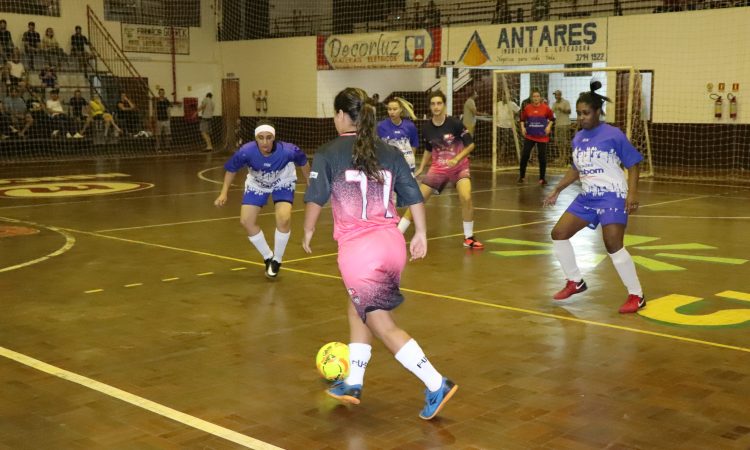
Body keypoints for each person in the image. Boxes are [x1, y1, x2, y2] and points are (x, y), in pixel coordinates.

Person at [302, 87, 457, 420]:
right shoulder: (388, 151)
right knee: (356, 305)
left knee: (383, 325)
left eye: (335, 113)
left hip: (361, 252)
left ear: (342, 116)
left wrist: (308, 230)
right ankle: (353, 381)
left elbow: (315, 198)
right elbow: (415, 195)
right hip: (391, 244)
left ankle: (435, 383)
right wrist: (422, 234)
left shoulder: (329, 152)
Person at [542, 82, 645, 314]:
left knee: (613, 244)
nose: (581, 117)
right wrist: (557, 189)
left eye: (586, 113)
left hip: (613, 195)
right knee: (559, 233)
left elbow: (634, 163)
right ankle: (575, 281)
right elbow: (576, 169)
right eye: (579, 113)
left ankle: (636, 295)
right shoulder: (578, 138)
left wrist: (633, 193)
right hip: (588, 196)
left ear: (598, 112)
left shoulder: (613, 134)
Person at [214, 120, 310, 278]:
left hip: (282, 181)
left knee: (284, 218)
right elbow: (231, 170)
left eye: (269, 137)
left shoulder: (288, 151)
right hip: (257, 183)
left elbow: (304, 162)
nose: (265, 142)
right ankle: (268, 257)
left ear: (274, 138)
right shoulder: (246, 151)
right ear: (255, 138)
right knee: (246, 221)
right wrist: (223, 192)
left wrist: (309, 183)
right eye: (261, 137)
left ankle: (277, 260)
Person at [397, 90, 484, 249]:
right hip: (438, 170)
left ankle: (469, 238)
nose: (436, 107)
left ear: (444, 105)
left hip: (459, 167)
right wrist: (422, 167)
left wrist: (457, 158)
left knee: (466, 197)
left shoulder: (455, 123)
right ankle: (396, 235)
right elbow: (429, 150)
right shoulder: (426, 128)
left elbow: (471, 144)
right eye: (433, 104)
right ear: (430, 106)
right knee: (417, 201)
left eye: (439, 103)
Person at [519, 89, 554, 185]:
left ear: (540, 98)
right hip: (530, 136)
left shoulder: (546, 108)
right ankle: (521, 177)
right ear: (531, 98)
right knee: (525, 156)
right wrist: (522, 127)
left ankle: (542, 178)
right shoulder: (527, 108)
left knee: (542, 157)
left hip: (542, 137)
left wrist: (548, 126)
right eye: (534, 96)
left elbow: (552, 118)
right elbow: (522, 119)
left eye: (537, 96)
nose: (536, 98)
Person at [377, 96, 419, 174]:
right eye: (389, 109)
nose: (392, 112)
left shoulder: (410, 126)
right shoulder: (380, 126)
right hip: (389, 166)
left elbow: (414, 145)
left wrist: (410, 160)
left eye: (395, 109)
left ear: (401, 109)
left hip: (407, 165)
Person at [551, 89, 572, 165]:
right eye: (555, 95)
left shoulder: (566, 102)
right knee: (559, 142)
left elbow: (569, 111)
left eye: (557, 95)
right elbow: (551, 112)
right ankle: (560, 156)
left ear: (560, 95)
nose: (556, 96)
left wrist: (562, 109)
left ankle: (565, 157)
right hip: (557, 124)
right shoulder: (554, 104)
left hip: (565, 124)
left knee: (564, 142)